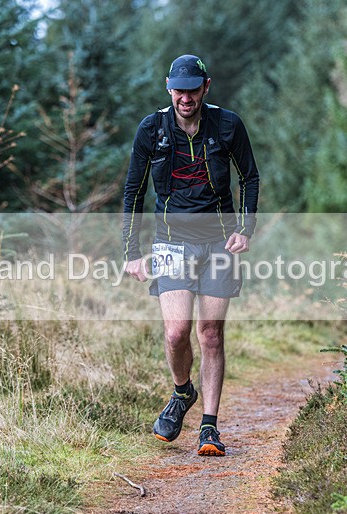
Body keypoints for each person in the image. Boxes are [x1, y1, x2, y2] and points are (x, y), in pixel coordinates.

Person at [121, 54, 260, 456]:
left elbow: (249, 177)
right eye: (179, 90)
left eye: (193, 89)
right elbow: (133, 190)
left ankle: (210, 428)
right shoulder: (151, 129)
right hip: (169, 243)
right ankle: (182, 393)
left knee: (210, 334)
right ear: (169, 88)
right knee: (176, 332)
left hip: (218, 242)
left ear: (206, 87)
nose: (186, 97)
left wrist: (245, 229)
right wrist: (131, 252)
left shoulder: (228, 124)